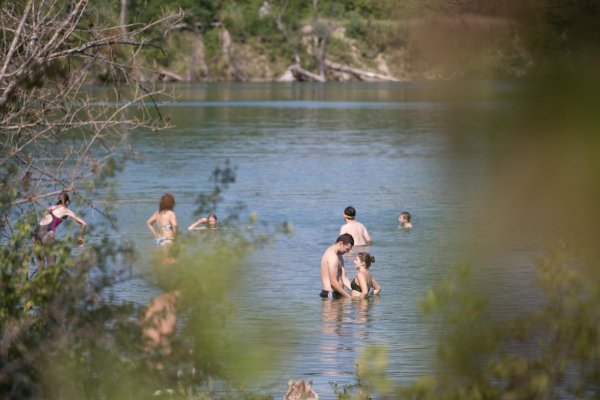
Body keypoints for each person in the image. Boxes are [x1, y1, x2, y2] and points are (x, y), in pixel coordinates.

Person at [31, 192, 87, 267]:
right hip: (47, 235)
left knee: (40, 267)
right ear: (67, 202)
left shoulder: (50, 208)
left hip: (35, 234)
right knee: (52, 267)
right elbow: (84, 224)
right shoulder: (65, 210)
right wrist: (80, 238)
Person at [320, 233, 354, 299]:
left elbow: (343, 278)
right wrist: (348, 297)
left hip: (338, 293)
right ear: (340, 244)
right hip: (330, 295)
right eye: (347, 249)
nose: (348, 252)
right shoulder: (332, 257)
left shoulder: (339, 255)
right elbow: (333, 282)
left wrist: (356, 290)